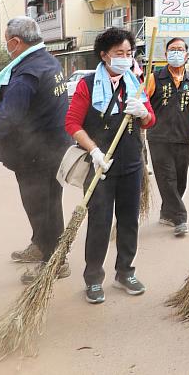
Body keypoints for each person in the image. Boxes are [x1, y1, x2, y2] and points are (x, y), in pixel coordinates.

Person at [0, 17, 71, 284]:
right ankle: (40, 244)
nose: (7, 47)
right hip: (48, 149)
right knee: (40, 205)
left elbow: (8, 118)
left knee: (44, 207)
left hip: (37, 154)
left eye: (7, 43)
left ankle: (55, 261)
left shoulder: (27, 73)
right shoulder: (48, 61)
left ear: (16, 41)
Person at [65, 28, 156, 304]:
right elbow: (72, 124)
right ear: (104, 55)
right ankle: (93, 278)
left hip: (131, 162)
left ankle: (125, 272)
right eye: (119, 54)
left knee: (129, 221)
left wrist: (143, 114)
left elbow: (150, 120)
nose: (125, 59)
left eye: (129, 54)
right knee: (99, 223)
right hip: (100, 165)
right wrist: (93, 151)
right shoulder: (88, 85)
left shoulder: (136, 81)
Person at [145, 37, 189, 237]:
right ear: (165, 55)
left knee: (181, 181)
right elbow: (143, 104)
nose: (176, 53)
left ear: (186, 55)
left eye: (180, 49)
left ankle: (167, 213)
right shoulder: (155, 78)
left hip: (182, 138)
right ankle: (180, 218)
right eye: (172, 49)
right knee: (168, 179)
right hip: (158, 138)